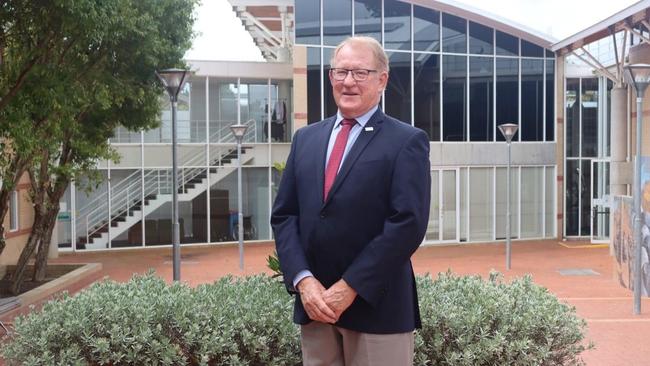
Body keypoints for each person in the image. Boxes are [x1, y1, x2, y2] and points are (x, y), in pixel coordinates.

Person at [271, 36, 431, 366]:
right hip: (316, 309)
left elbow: (407, 223)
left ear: (382, 80)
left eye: (360, 73)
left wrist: (350, 287)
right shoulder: (306, 139)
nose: (348, 81)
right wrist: (304, 281)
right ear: (330, 77)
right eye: (340, 71)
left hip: (377, 309)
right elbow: (285, 216)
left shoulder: (406, 141)